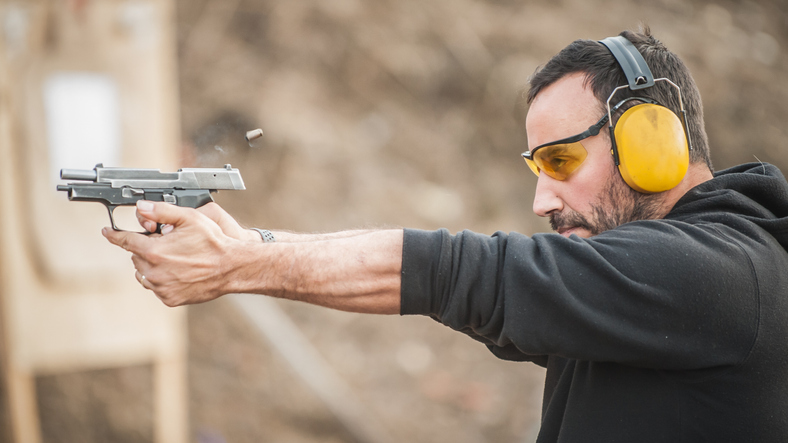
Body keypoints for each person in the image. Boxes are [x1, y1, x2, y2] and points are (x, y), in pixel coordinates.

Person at [104, 28, 788, 441]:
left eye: (561, 161)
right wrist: (246, 244)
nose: (541, 197)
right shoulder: (647, 297)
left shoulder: (725, 276)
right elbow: (481, 288)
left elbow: (464, 273)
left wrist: (241, 264)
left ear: (654, 142)